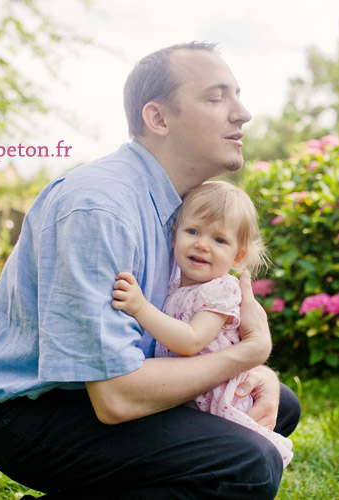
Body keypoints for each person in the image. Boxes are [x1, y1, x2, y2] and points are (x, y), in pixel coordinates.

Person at [0, 41, 300, 500]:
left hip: (101, 388)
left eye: (237, 95)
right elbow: (116, 399)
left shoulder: (178, 211)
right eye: (217, 98)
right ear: (158, 119)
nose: (243, 113)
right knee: (249, 464)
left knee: (274, 405)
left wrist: (256, 372)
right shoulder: (101, 207)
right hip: (36, 413)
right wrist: (248, 354)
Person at [112, 180, 293, 468]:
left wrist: (140, 308)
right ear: (174, 237)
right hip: (186, 394)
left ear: (238, 256)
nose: (202, 244)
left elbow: (191, 341)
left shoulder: (219, 290)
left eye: (219, 240)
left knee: (239, 463)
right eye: (193, 231)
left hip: (215, 400)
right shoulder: (174, 285)